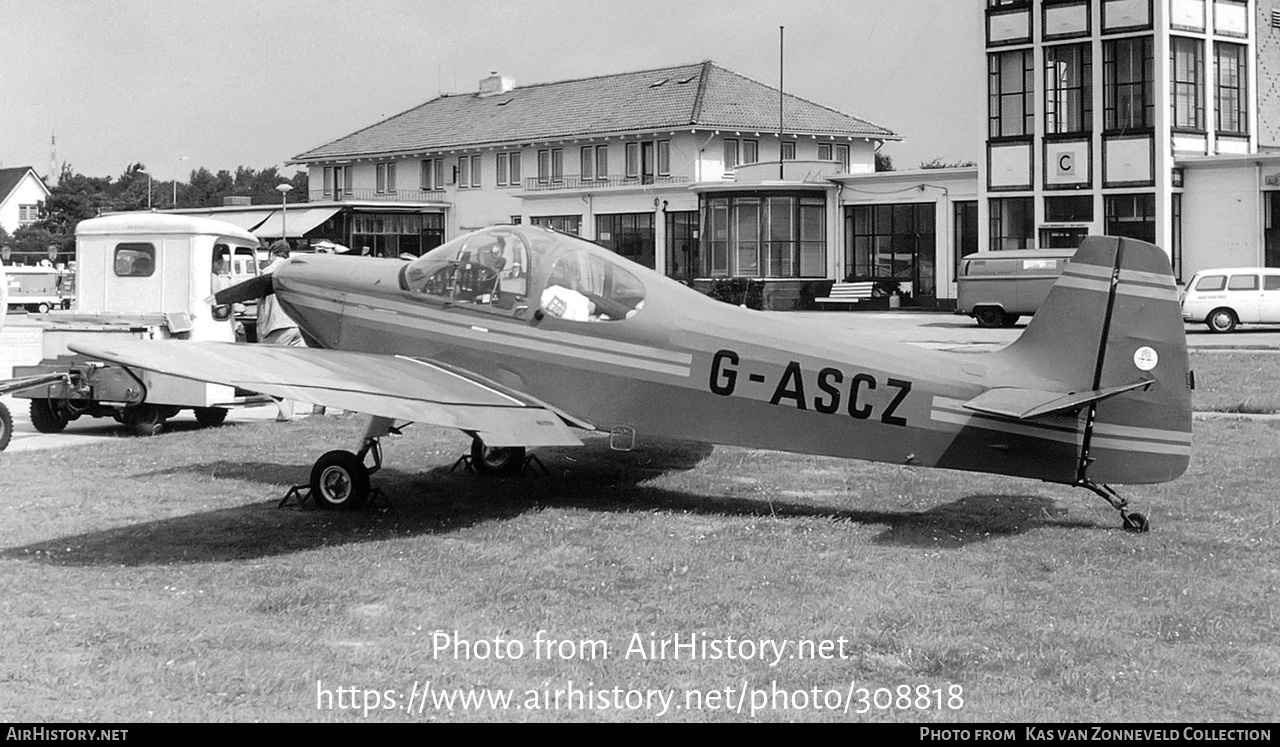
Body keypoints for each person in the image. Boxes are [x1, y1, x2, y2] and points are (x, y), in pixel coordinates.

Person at [256, 240, 324, 419]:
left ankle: (285, 412)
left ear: (272, 253)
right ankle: (300, 409)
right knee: (292, 370)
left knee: (271, 371)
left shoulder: (268, 271)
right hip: (296, 324)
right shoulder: (293, 271)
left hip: (276, 326)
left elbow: (264, 305)